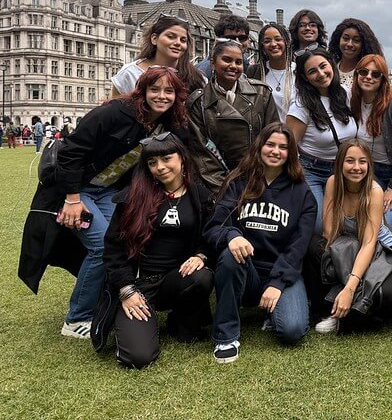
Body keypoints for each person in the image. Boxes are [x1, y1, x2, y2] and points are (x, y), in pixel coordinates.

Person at [18, 67, 189, 339]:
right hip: (79, 189)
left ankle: (107, 302)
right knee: (101, 246)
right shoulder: (115, 112)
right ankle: (76, 318)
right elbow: (71, 152)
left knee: (124, 241)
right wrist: (72, 199)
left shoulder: (169, 123)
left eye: (169, 91)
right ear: (142, 90)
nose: (161, 96)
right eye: (154, 89)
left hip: (108, 191)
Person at [206, 123, 317, 362]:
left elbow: (299, 246)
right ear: (259, 147)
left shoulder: (302, 192)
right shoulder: (239, 183)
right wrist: (232, 236)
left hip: (282, 273)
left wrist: (278, 283)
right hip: (247, 271)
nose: (276, 151)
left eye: (283, 147)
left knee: (293, 330)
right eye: (270, 144)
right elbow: (214, 227)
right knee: (230, 254)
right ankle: (226, 336)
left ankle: (273, 309)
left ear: (291, 153)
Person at [102, 133, 213, 368]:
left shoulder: (200, 196)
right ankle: (134, 323)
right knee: (138, 358)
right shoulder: (133, 198)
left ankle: (180, 320)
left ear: (182, 158)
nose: (160, 167)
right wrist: (126, 290)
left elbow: (211, 236)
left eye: (166, 159)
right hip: (139, 285)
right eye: (152, 163)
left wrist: (201, 255)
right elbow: (113, 249)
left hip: (176, 280)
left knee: (202, 277)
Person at [307, 140, 392, 334]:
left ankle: (349, 310)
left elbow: (369, 243)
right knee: (314, 247)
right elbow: (329, 233)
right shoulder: (333, 183)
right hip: (347, 245)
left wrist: (350, 287)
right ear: (339, 163)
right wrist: (343, 271)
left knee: (385, 297)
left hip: (382, 251)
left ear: (369, 165)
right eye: (350, 161)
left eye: (362, 161)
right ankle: (327, 310)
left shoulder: (374, 192)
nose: (356, 167)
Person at [187, 40, 279, 191]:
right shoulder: (198, 102)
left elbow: (272, 138)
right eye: (226, 60)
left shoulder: (261, 93)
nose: (233, 66)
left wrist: (263, 179)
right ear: (212, 63)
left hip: (259, 177)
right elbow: (201, 155)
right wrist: (225, 190)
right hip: (218, 184)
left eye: (238, 62)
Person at [287, 48, 357, 231]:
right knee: (319, 225)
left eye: (323, 66)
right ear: (305, 77)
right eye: (312, 71)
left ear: (331, 65)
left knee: (349, 222)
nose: (320, 73)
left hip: (344, 169)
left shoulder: (345, 94)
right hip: (313, 172)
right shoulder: (301, 105)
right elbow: (290, 147)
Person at [351, 55, 392, 241]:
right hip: (373, 172)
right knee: (373, 222)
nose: (368, 77)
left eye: (376, 74)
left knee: (390, 224)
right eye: (363, 72)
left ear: (383, 79)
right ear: (357, 75)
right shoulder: (353, 104)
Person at [112, 14, 205, 96]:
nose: (178, 43)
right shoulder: (130, 74)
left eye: (183, 40)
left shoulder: (197, 78)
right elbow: (114, 112)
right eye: (171, 37)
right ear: (154, 39)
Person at [246, 22, 294, 121]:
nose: (273, 44)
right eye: (267, 41)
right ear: (262, 47)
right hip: (268, 134)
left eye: (278, 39)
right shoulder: (255, 72)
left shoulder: (299, 71)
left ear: (286, 42)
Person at [329, 18, 383, 90]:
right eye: (346, 38)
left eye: (356, 40)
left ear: (363, 45)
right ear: (338, 40)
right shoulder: (329, 70)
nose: (349, 44)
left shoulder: (367, 74)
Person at [196, 14, 253, 79]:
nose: (238, 43)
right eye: (231, 38)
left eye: (242, 38)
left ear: (248, 40)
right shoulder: (203, 72)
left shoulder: (246, 63)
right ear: (219, 39)